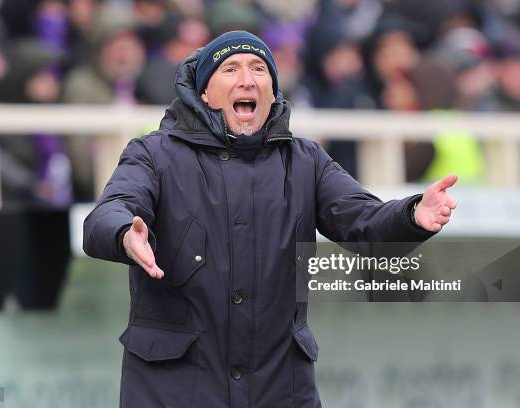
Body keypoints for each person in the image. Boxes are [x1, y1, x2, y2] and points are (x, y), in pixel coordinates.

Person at [83, 30, 458, 408]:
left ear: (273, 92)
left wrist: (412, 214)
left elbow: (365, 221)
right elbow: (109, 212)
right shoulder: (154, 153)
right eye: (230, 69)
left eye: (259, 69)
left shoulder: (306, 160)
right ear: (203, 94)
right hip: (173, 391)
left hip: (280, 391)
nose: (247, 79)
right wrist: (124, 235)